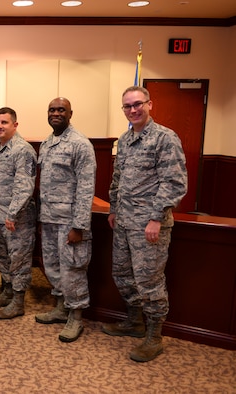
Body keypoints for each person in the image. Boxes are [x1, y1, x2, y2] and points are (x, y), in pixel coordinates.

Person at [102, 86, 187, 362]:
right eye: (127, 106)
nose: (133, 110)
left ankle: (154, 337)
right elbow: (118, 179)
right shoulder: (125, 139)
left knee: (149, 281)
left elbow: (174, 182)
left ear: (151, 104)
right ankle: (135, 322)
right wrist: (113, 208)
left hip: (150, 226)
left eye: (138, 104)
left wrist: (155, 217)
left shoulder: (165, 138)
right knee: (122, 274)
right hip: (124, 222)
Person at [34, 97, 97, 342]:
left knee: (72, 269)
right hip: (49, 218)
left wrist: (79, 226)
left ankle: (76, 316)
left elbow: (85, 187)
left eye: (61, 110)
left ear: (71, 113)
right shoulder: (48, 143)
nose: (56, 113)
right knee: (52, 266)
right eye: (52, 109)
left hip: (69, 222)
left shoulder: (80, 144)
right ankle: (61, 307)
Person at [0, 107, 37, 320]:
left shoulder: (22, 150)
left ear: (15, 125)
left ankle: (18, 301)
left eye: (4, 122)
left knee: (19, 259)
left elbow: (24, 186)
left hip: (16, 219)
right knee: (3, 257)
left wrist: (12, 214)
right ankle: (7, 291)